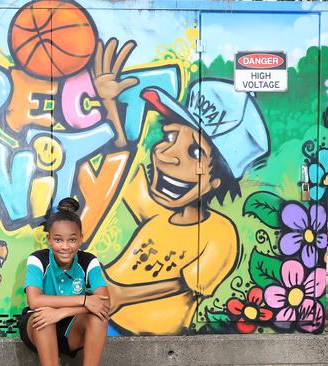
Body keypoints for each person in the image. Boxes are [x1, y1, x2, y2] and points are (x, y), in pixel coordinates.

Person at [104, 78, 269, 335]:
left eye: (195, 152)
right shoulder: (160, 215)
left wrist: (121, 294)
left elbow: (186, 284)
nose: (165, 154)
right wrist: (109, 106)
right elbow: (123, 166)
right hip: (105, 316)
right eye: (169, 136)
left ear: (216, 180)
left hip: (141, 331)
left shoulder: (220, 233)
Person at [18, 198, 110, 366]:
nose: (65, 247)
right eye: (58, 240)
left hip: (72, 327)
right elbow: (35, 301)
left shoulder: (88, 261)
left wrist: (61, 312)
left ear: (81, 239)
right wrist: (84, 300)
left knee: (99, 317)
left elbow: (103, 303)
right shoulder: (38, 259)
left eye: (72, 240)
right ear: (49, 239)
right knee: (43, 316)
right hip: (38, 327)